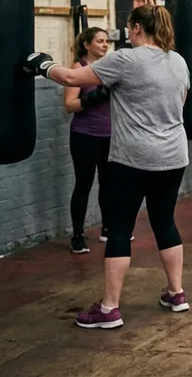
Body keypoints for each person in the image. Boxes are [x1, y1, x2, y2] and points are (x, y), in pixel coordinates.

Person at [25, 5, 192, 329]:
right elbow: (180, 103)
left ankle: (109, 309)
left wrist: (43, 65)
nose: (126, 33)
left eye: (129, 27)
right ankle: (177, 293)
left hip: (132, 159)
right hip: (173, 157)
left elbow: (72, 77)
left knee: (119, 229)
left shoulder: (125, 59)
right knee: (164, 222)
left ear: (137, 28)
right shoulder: (179, 60)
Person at [64, 28, 112, 255]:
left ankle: (107, 228)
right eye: (99, 41)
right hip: (85, 135)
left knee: (109, 184)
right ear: (87, 45)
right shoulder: (78, 70)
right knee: (83, 184)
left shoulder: (111, 67)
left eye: (106, 41)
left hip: (109, 135)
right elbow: (69, 105)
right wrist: (92, 98)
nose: (105, 45)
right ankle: (77, 235)